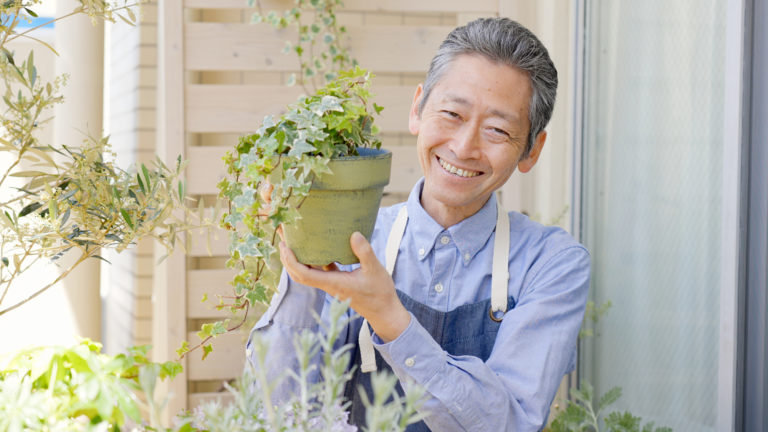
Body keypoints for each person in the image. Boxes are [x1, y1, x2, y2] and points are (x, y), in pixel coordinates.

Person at [246, 17, 590, 431]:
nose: (464, 147)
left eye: (497, 129)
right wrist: (303, 253)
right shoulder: (354, 241)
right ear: (417, 109)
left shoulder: (551, 263)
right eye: (452, 113)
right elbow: (279, 408)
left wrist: (389, 317)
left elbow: (511, 422)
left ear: (531, 150)